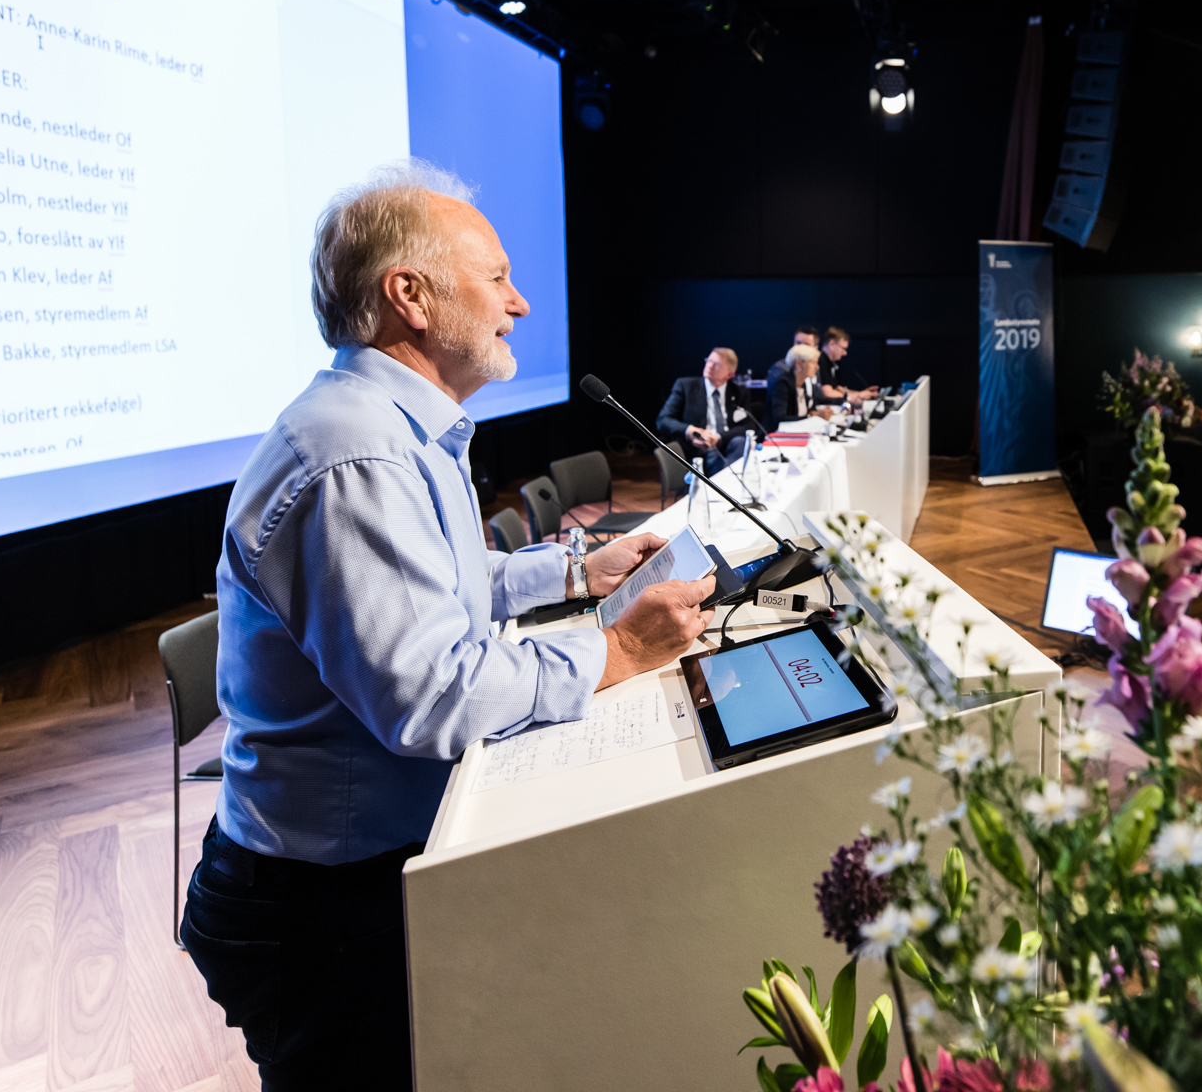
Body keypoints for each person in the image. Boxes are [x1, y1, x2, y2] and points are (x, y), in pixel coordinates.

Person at [184, 161, 716, 1090]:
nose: (519, 303)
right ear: (411, 296)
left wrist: (574, 571)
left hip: (341, 881)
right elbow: (431, 697)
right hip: (317, 909)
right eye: (496, 277)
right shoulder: (356, 456)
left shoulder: (389, 428)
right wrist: (618, 648)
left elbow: (444, 583)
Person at [656, 347, 753, 472]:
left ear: (730, 374)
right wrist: (690, 431)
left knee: (740, 442)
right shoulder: (686, 386)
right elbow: (663, 420)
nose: (709, 366)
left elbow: (749, 425)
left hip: (726, 445)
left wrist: (719, 438)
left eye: (716, 364)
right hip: (697, 449)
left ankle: (726, 480)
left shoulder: (739, 392)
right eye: (709, 361)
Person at [766, 342, 827, 427]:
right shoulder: (782, 384)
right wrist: (810, 417)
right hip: (777, 433)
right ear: (798, 363)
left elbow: (807, 413)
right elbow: (779, 418)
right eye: (813, 362)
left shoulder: (804, 385)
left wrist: (819, 413)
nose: (817, 367)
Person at [818, 327, 878, 403]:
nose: (845, 353)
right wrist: (858, 395)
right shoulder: (821, 361)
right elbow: (828, 393)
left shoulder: (830, 363)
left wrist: (862, 393)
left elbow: (837, 388)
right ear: (832, 343)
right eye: (843, 348)